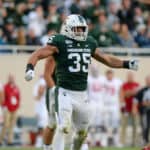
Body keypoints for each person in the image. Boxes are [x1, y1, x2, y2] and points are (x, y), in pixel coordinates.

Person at [25, 14, 138, 150]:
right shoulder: (60, 41)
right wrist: (30, 67)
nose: (80, 32)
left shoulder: (89, 42)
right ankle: (48, 147)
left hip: (81, 94)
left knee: (81, 134)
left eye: (82, 29)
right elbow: (38, 54)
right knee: (63, 126)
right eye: (77, 29)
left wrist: (126, 63)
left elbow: (106, 58)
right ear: (68, 28)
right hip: (63, 91)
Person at [102, 69, 122, 147]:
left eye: (111, 74)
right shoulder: (103, 81)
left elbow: (121, 91)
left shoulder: (117, 81)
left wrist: (122, 103)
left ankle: (116, 141)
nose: (109, 76)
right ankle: (104, 141)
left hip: (114, 105)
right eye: (108, 74)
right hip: (105, 105)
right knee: (105, 123)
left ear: (113, 75)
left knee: (115, 124)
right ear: (106, 75)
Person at [120, 71, 140, 146]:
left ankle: (134, 142)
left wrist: (129, 93)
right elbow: (123, 95)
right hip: (126, 109)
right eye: (128, 76)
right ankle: (122, 142)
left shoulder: (137, 84)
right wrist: (132, 92)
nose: (130, 78)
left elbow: (137, 96)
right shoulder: (124, 85)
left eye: (131, 76)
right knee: (123, 126)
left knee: (135, 126)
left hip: (135, 109)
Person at [0, 74, 21, 145]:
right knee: (6, 125)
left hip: (14, 109)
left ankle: (10, 141)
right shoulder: (5, 87)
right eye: (10, 78)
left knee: (12, 125)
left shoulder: (16, 87)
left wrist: (17, 106)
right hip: (7, 109)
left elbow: (18, 97)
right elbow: (3, 97)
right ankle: (1, 140)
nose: (11, 79)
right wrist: (4, 106)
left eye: (12, 78)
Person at [133, 75, 150, 145]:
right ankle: (145, 140)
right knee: (145, 126)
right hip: (145, 111)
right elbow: (135, 100)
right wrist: (134, 108)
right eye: (148, 80)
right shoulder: (142, 90)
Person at [33, 75, 48, 148]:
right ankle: (40, 141)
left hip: (42, 107)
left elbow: (39, 92)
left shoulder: (41, 82)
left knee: (42, 125)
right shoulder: (41, 82)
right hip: (41, 107)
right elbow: (39, 94)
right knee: (41, 125)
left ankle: (40, 141)